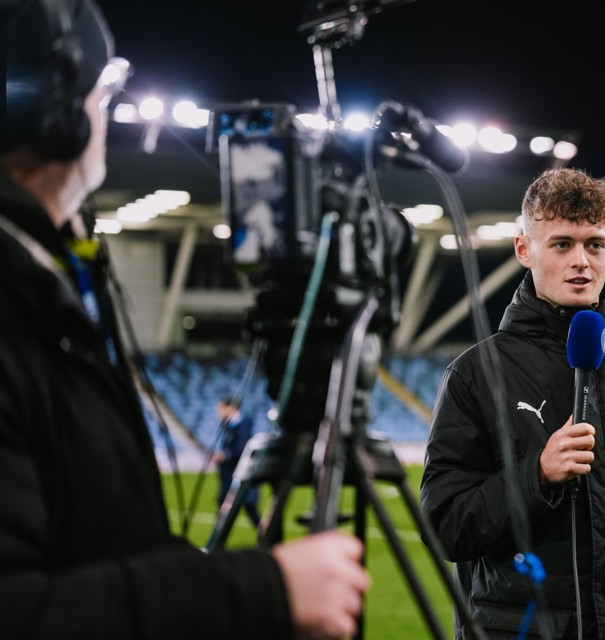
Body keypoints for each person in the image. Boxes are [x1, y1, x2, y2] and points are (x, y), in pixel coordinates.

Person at [0, 1, 370, 637]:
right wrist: (261, 589)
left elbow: (95, 540)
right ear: (59, 114)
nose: (105, 112)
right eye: (105, 89)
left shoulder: (44, 282)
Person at [420, 167, 605, 639]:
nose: (581, 261)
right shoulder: (475, 374)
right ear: (524, 250)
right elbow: (446, 526)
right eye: (561, 244)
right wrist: (538, 475)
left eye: (594, 244)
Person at [215, 396, 261, 527]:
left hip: (239, 473)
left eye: (221, 409)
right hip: (229, 475)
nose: (218, 413)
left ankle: (265, 533)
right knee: (224, 507)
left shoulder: (243, 425)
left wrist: (226, 456)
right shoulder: (227, 425)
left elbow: (241, 449)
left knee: (248, 506)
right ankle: (218, 535)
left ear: (230, 408)